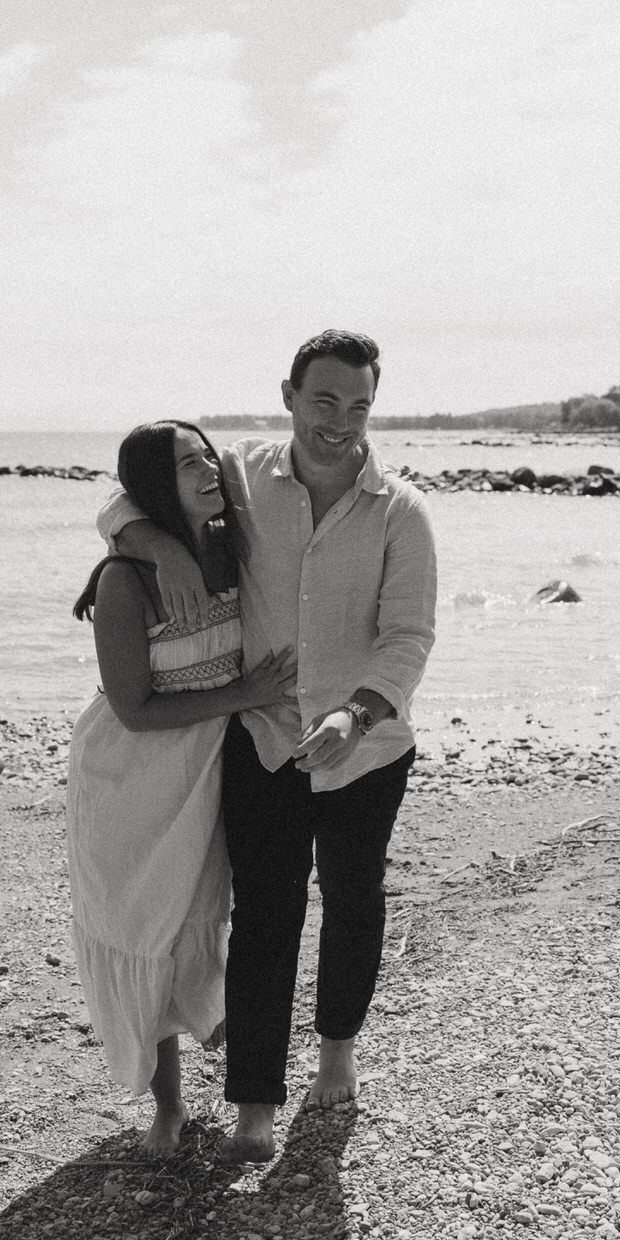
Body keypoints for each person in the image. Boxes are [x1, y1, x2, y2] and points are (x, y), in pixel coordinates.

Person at [98, 332, 437, 1162]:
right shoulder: (243, 476)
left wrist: (355, 714)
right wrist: (158, 542)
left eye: (357, 406)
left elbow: (408, 638)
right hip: (263, 740)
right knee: (265, 920)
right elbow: (124, 500)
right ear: (287, 394)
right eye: (323, 401)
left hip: (367, 749)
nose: (340, 423)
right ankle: (254, 1100)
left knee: (354, 899)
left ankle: (337, 1051)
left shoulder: (401, 510)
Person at [67, 421, 293, 1158]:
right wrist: (244, 694)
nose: (204, 469)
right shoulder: (124, 580)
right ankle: (167, 1108)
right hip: (129, 781)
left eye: (205, 456)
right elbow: (133, 708)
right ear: (153, 489)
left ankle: (239, 1063)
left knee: (202, 924)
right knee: (148, 937)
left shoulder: (232, 546)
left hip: (206, 773)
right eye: (183, 464)